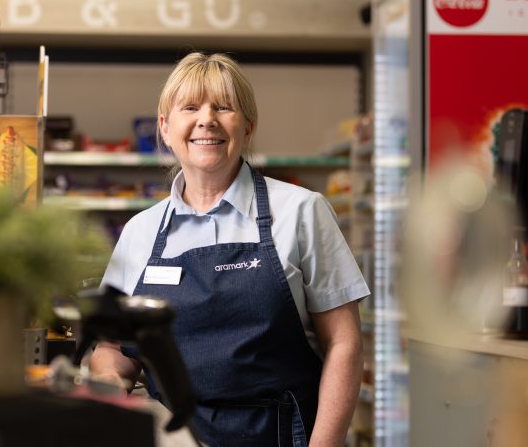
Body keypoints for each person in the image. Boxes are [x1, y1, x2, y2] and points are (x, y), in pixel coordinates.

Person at [89, 52, 369, 447]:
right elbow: (115, 347)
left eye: (224, 107)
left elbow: (344, 343)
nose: (207, 119)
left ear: (248, 127)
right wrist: (110, 385)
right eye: (190, 107)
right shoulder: (140, 231)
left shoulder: (301, 211)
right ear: (166, 129)